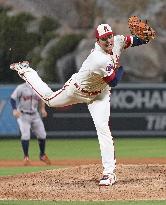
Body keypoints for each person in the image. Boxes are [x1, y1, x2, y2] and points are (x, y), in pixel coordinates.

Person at [10, 23, 152, 185]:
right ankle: (26, 71)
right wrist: (121, 69)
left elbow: (132, 40)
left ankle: (109, 174)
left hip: (100, 95)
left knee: (103, 129)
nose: (109, 40)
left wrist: (145, 37)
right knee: (49, 100)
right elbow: (114, 81)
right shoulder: (98, 58)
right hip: (77, 90)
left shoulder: (117, 41)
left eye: (110, 36)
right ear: (98, 41)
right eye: (104, 38)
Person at [10, 82, 51, 166]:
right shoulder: (21, 87)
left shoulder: (37, 87)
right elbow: (12, 98)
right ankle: (26, 157)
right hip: (23, 115)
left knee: (42, 135)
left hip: (35, 115)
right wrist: (14, 110)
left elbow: (41, 99)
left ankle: (42, 155)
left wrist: (42, 109)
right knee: (25, 135)